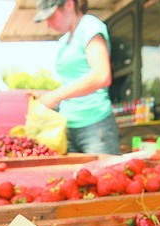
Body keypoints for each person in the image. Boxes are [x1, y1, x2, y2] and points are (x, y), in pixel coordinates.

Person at [34, 0, 120, 155]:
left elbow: (101, 75)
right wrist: (46, 96)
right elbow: (71, 82)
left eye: (51, 16)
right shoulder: (64, 41)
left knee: (102, 177)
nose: (49, 24)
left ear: (69, 4)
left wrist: (56, 96)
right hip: (68, 127)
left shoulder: (89, 26)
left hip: (95, 126)